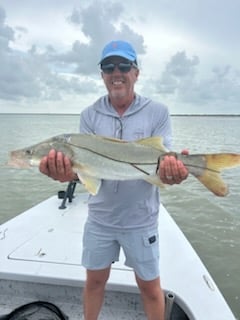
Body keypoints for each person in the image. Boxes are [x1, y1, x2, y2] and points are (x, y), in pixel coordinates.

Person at [39, 40, 188, 320]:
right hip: (100, 219)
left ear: (136, 72)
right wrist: (65, 173)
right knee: (94, 282)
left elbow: (162, 167)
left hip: (141, 220)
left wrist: (173, 173)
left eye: (124, 65)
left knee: (150, 288)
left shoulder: (158, 112)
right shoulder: (89, 115)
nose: (116, 72)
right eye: (108, 66)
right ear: (102, 74)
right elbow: (85, 172)